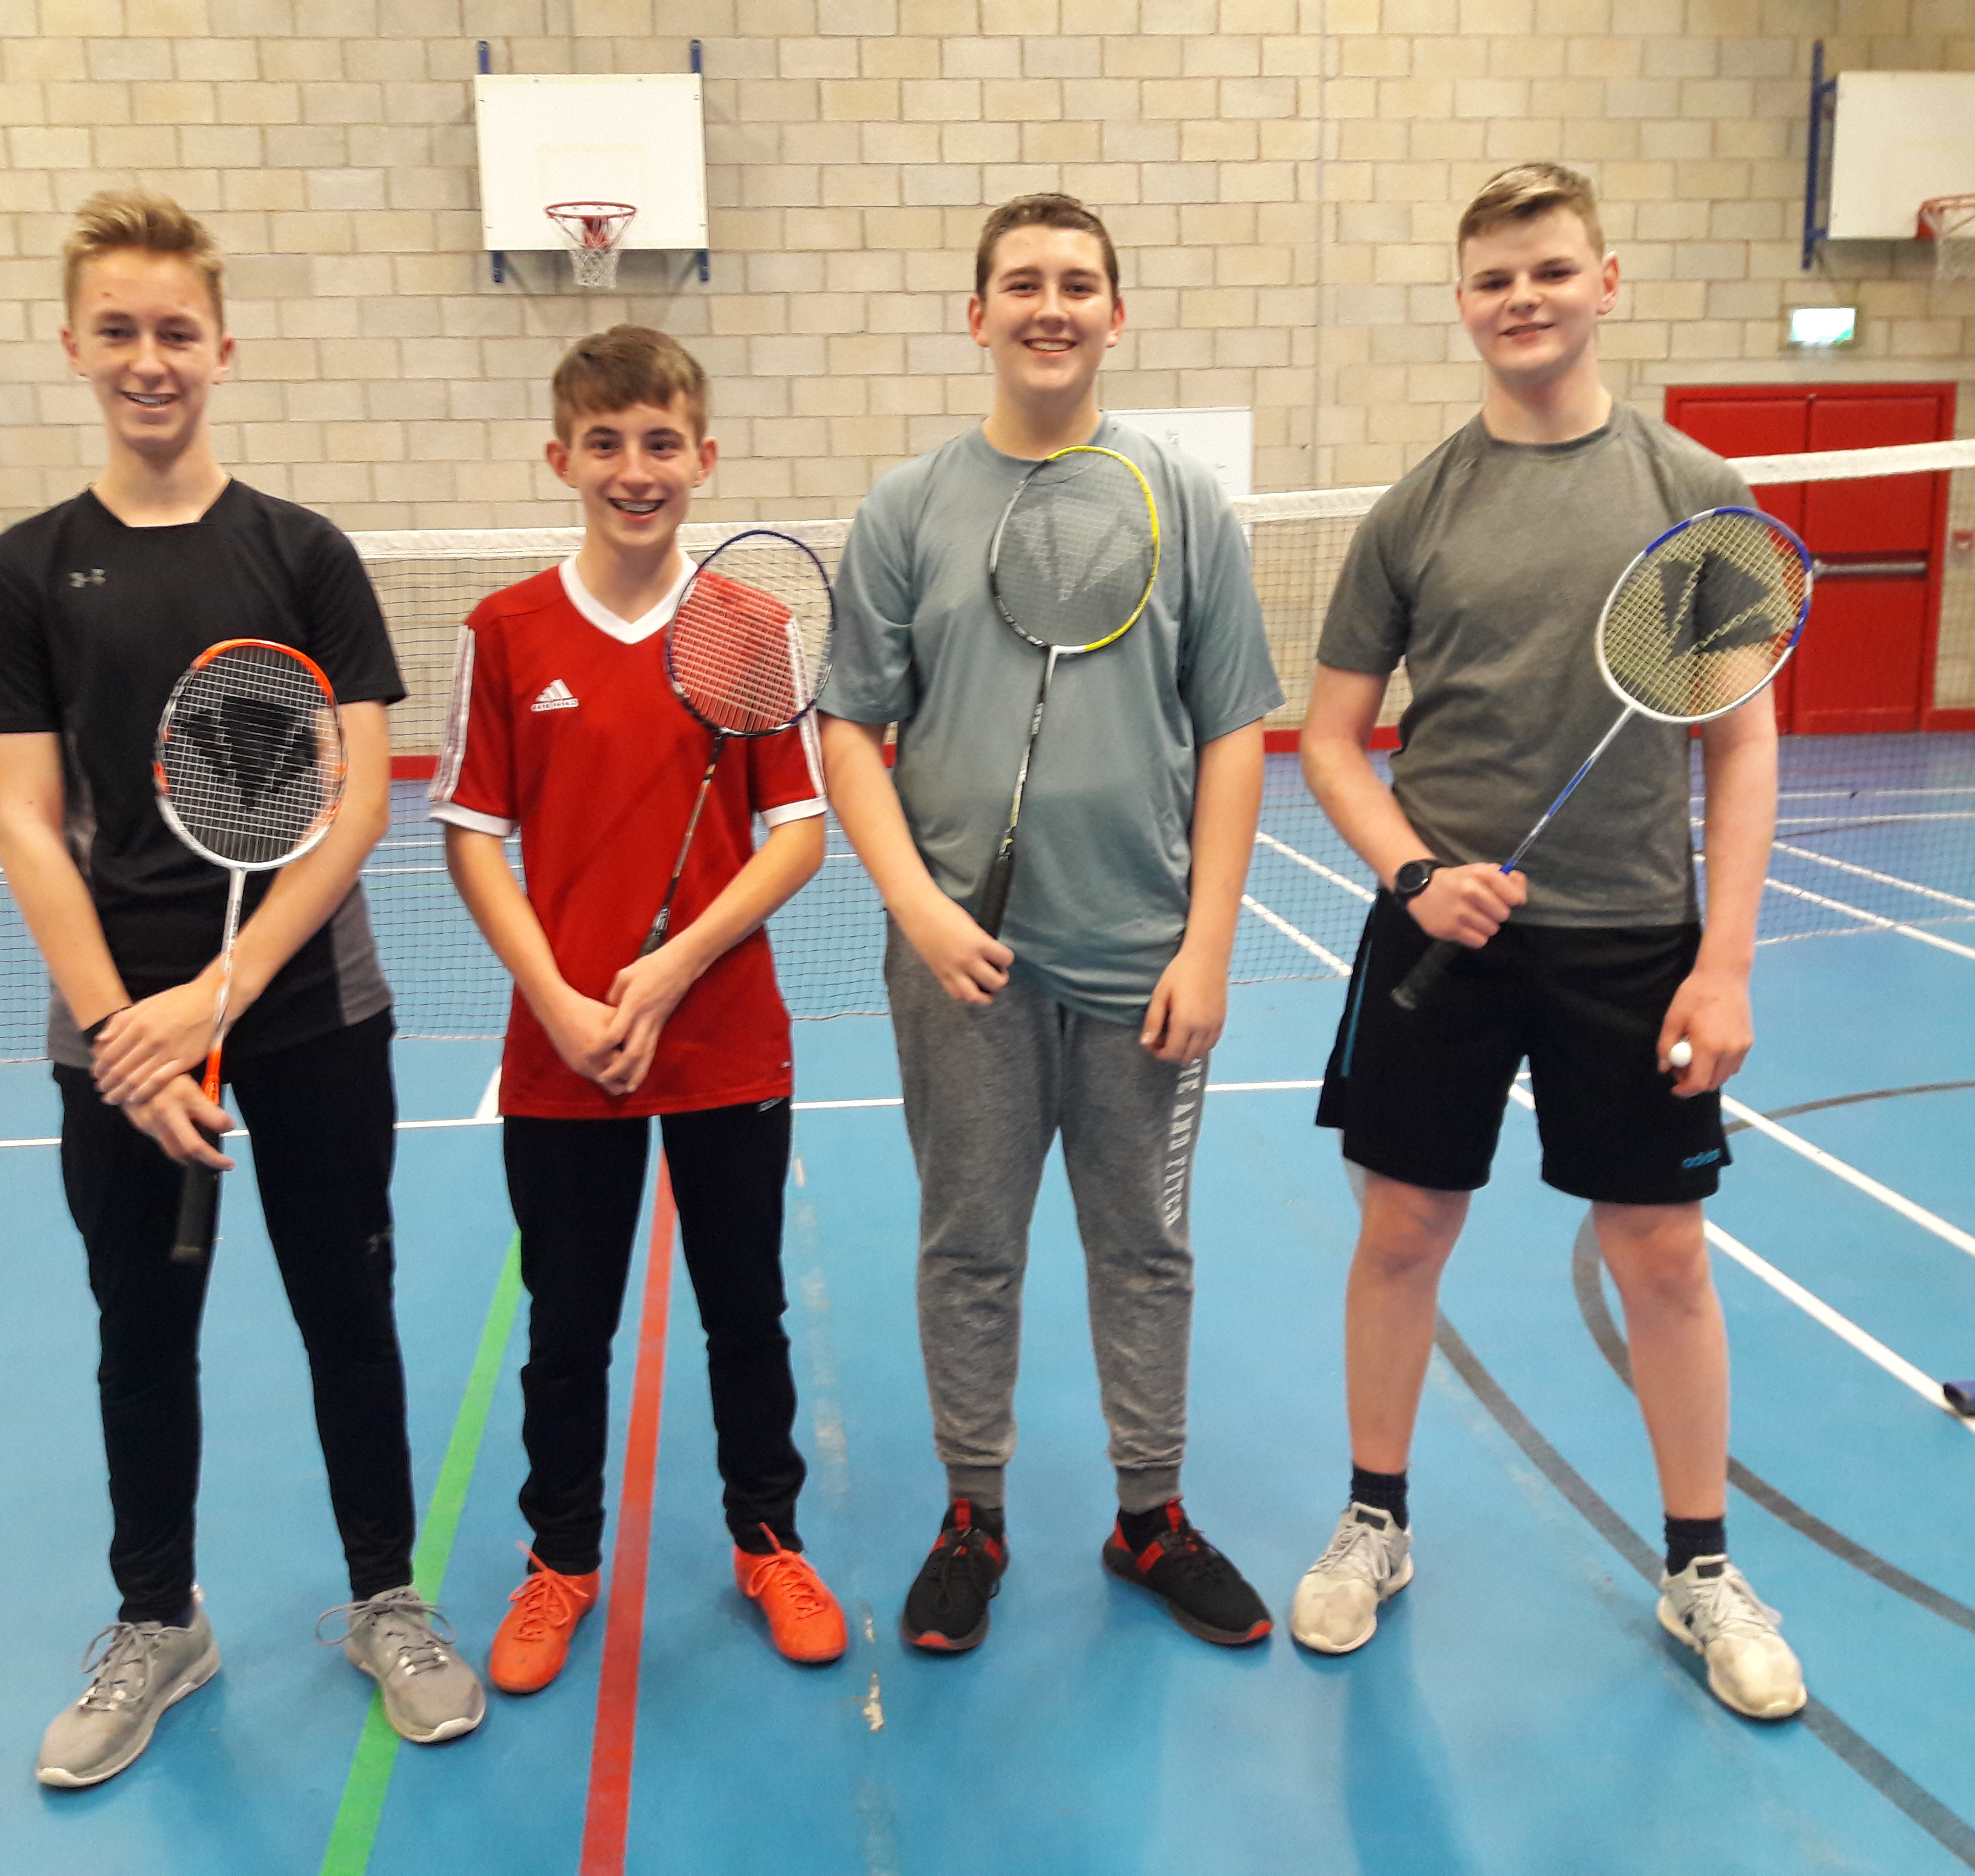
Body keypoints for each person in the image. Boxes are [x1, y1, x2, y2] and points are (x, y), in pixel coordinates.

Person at [0, 189, 485, 1788]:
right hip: (117, 1020)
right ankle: (155, 1620)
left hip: (308, 1000)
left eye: (174, 330)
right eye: (116, 330)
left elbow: (361, 799)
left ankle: (387, 1598)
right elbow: (23, 818)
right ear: (73, 346)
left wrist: (222, 996)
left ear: (223, 347)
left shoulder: (301, 553)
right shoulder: (28, 571)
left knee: (349, 1313)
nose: (148, 358)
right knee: (142, 1327)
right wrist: (131, 1028)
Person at [1293, 163, 1806, 1720]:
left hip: (1634, 937)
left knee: (1661, 1251)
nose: (1524, 298)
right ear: (1464, 303)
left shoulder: (1691, 491)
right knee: (1402, 1234)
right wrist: (1409, 879)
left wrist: (1724, 964)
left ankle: (1702, 1568)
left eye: (1551, 271)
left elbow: (1741, 745)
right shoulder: (1417, 507)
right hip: (1443, 936)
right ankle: (1374, 1523)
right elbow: (1326, 740)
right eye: (1495, 278)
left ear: (1608, 281)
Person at [818, 195, 1284, 1654]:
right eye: (1021, 282)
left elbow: (1233, 735)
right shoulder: (905, 508)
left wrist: (1208, 941)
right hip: (962, 970)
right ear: (976, 316)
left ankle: (1151, 1513)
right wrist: (915, 905)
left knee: (1145, 1243)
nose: (1051, 305)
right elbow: (848, 728)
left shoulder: (1184, 500)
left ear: (1116, 314)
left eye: (1079, 283)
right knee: (971, 1246)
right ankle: (975, 1515)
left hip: (1143, 957)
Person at [432, 325, 848, 1694]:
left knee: (748, 1312)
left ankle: (768, 1537)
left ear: (704, 457)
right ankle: (559, 1563)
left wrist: (672, 969)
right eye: (604, 443)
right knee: (568, 1324)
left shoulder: (751, 630)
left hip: (726, 1041)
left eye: (660, 441)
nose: (634, 468)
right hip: (563, 1055)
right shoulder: (506, 631)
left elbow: (797, 831)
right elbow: (472, 835)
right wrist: (552, 996)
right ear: (561, 457)